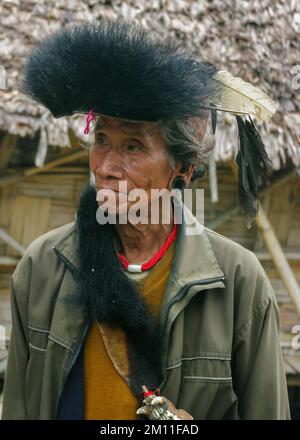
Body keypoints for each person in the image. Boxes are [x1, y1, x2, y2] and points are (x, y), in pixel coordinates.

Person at [2, 18, 290, 420]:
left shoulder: (239, 284)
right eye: (101, 139)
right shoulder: (41, 268)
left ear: (184, 168)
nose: (105, 166)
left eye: (133, 146)